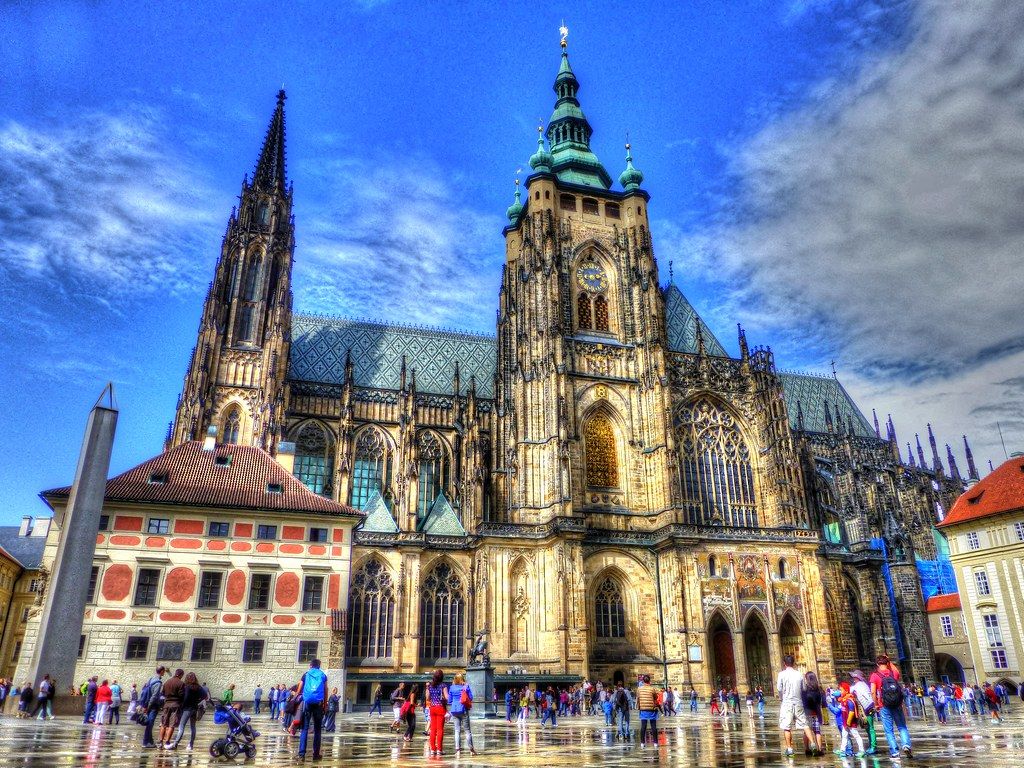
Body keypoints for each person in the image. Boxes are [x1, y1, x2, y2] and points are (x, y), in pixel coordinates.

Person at [870, 654, 912, 759]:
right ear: (887, 663)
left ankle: (894, 752)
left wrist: (875, 704)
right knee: (902, 727)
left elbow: (872, 692)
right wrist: (889, 661)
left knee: (889, 730)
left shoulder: (875, 675)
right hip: (897, 704)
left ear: (877, 664)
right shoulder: (893, 673)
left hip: (884, 705)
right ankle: (906, 745)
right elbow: (897, 671)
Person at [776, 654, 814, 757]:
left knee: (787, 727)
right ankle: (813, 745)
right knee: (805, 724)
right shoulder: (799, 674)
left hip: (787, 703)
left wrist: (782, 697)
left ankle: (789, 749)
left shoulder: (781, 674)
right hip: (798, 702)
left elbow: (779, 689)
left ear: (784, 663)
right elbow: (804, 689)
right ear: (793, 663)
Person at [297, 658, 328, 760]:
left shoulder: (306, 674)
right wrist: (325, 704)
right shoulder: (322, 675)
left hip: (307, 703)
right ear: (319, 666)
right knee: (317, 730)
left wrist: (297, 698)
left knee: (304, 729)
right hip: (318, 704)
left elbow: (300, 687)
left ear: (311, 665)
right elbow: (325, 689)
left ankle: (301, 754)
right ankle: (316, 754)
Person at [169, 672, 205, 751]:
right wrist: (197, 701)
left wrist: (182, 706)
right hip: (194, 709)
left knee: (181, 727)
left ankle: (175, 744)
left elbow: (185, 698)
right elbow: (205, 696)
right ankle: (191, 745)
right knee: (193, 727)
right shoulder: (198, 687)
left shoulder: (186, 687)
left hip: (187, 709)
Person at [849, 670, 877, 755]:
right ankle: (872, 746)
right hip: (870, 706)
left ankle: (873, 747)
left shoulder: (857, 685)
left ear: (857, 677)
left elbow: (849, 691)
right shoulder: (864, 684)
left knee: (870, 728)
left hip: (867, 708)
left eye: (854, 677)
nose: (853, 679)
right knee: (869, 728)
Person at [448, 672, 477, 755]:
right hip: (463, 710)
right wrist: (467, 686)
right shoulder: (465, 687)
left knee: (457, 731)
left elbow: (449, 700)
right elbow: (471, 697)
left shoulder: (452, 688)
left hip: (454, 710)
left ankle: (458, 750)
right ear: (462, 679)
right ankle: (471, 750)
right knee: (467, 731)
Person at [836, 682, 866, 757]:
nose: (840, 692)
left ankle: (862, 750)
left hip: (850, 722)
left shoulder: (849, 700)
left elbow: (852, 712)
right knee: (844, 736)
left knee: (856, 735)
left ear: (846, 691)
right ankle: (842, 750)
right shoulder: (844, 700)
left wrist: (848, 722)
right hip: (845, 722)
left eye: (841, 690)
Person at [140, 666, 167, 749]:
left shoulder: (151, 679)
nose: (164, 672)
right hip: (153, 706)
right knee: (150, 724)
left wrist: (145, 705)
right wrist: (148, 706)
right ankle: (145, 742)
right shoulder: (158, 683)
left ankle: (150, 741)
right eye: (164, 671)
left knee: (149, 723)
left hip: (147, 704)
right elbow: (154, 696)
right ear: (161, 671)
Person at [160, 668, 185, 748]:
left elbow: (163, 693)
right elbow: (182, 695)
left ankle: (160, 742)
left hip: (166, 704)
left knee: (164, 724)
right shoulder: (181, 683)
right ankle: (167, 742)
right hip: (175, 705)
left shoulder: (167, 682)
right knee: (172, 725)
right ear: (181, 675)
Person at [801, 671, 825, 757]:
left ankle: (807, 749)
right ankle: (820, 749)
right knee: (817, 732)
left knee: (806, 732)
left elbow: (802, 701)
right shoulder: (819, 689)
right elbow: (822, 702)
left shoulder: (804, 690)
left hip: (807, 713)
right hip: (816, 713)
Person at [425, 668, 448, 756]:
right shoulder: (443, 685)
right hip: (440, 708)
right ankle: (439, 749)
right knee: (440, 729)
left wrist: (427, 688)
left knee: (433, 729)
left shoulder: (430, 686)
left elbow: (427, 698)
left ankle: (433, 749)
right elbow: (446, 697)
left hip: (432, 708)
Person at [636, 674, 660, 747]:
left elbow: (638, 698)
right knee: (653, 726)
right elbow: (655, 697)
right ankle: (655, 743)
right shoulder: (652, 689)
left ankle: (642, 743)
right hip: (651, 709)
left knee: (643, 726)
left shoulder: (639, 689)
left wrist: (638, 707)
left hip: (643, 709)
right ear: (649, 681)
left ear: (643, 681)